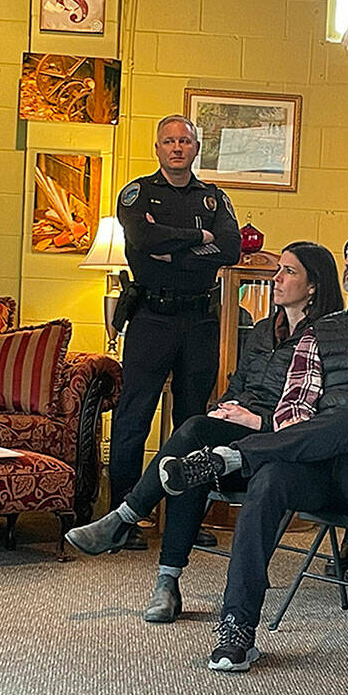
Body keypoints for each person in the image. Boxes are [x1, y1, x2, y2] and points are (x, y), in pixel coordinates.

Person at [158, 224, 348, 672]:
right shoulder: (321, 333)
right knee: (270, 480)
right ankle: (237, 626)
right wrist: (318, 441)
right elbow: (293, 405)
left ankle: (238, 455)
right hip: (319, 470)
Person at [63, 241, 343, 622]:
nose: (277, 278)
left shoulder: (328, 339)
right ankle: (166, 584)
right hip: (236, 429)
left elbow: (319, 413)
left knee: (192, 433)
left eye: (289, 271)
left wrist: (256, 421)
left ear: (314, 286)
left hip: (279, 441)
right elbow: (237, 385)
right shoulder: (263, 331)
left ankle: (127, 520)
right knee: (188, 463)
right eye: (278, 269)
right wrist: (226, 410)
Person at [107, 114, 242, 550]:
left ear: (196, 148)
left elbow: (230, 248)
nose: (177, 147)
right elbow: (143, 243)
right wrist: (197, 241)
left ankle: (185, 519)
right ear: (158, 148)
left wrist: (176, 251)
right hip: (151, 317)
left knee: (193, 423)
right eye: (169, 141)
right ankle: (124, 518)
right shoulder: (138, 193)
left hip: (201, 321)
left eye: (185, 140)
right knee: (134, 418)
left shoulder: (214, 198)